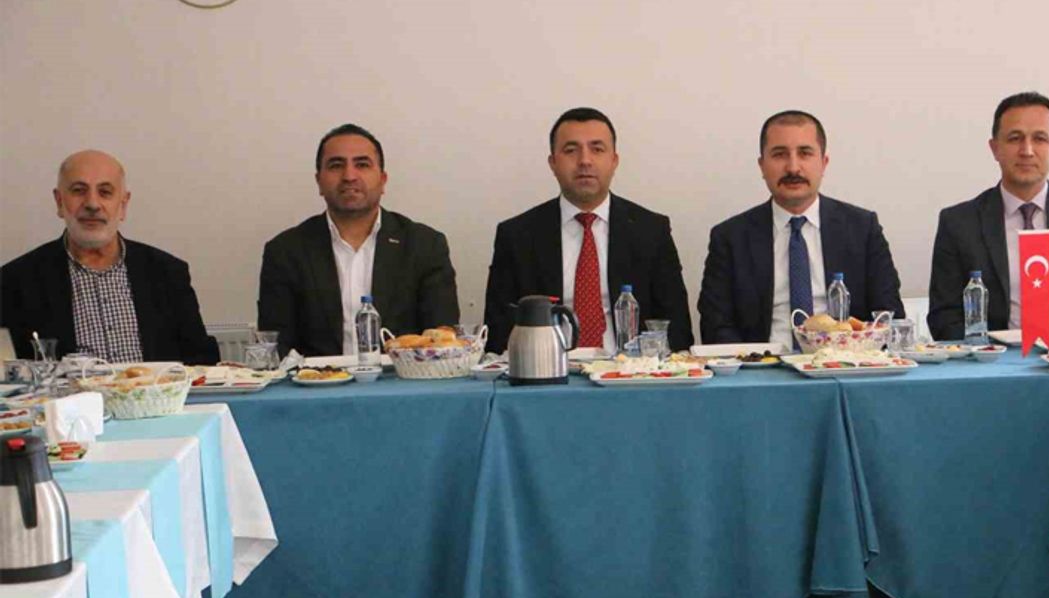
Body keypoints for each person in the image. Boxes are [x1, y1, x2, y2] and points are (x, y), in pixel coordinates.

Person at [483, 107, 693, 354]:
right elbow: (498, 334)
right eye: (571, 150)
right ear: (553, 163)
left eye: (597, 149)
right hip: (547, 369)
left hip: (629, 371)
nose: (585, 160)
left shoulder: (651, 231)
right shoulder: (517, 236)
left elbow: (677, 329)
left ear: (614, 161)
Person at [927, 92, 1049, 340]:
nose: (1027, 150)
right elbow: (943, 318)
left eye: (1040, 139)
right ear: (995, 148)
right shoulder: (959, 223)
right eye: (1015, 138)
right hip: (992, 358)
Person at [698, 110, 904, 345]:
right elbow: (716, 326)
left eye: (805, 153)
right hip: (761, 363)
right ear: (762, 166)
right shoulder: (730, 238)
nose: (793, 168)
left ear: (823, 163)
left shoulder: (862, 229)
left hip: (844, 361)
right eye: (779, 154)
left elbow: (888, 316)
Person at [258, 123, 460, 357]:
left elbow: (441, 340)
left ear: (383, 180)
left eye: (362, 164)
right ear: (319, 181)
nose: (349, 176)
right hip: (314, 379)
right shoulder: (285, 251)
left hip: (402, 378)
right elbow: (276, 348)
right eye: (336, 165)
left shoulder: (424, 246)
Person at [0, 149, 218, 365]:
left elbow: (201, 360)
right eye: (78, 191)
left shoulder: (168, 273)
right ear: (59, 202)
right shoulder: (16, 280)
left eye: (105, 192)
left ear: (123, 204)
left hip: (156, 390)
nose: (92, 204)